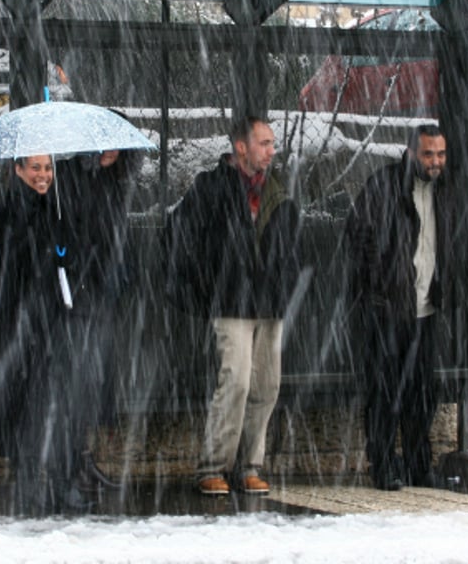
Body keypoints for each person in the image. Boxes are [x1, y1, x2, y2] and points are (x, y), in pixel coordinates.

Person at [166, 116, 301, 496]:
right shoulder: (212, 187)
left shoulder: (276, 189)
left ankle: (249, 465)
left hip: (268, 303)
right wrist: (208, 286)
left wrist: (284, 286)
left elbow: (290, 248)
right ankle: (214, 465)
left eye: (273, 144)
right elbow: (181, 237)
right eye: (264, 143)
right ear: (241, 147)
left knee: (266, 386)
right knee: (236, 382)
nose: (271, 151)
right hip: (231, 302)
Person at [343, 123, 453, 490]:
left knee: (423, 392)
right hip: (389, 308)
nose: (435, 162)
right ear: (410, 153)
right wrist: (379, 290)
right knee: (385, 390)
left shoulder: (446, 192)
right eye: (428, 154)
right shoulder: (384, 186)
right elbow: (359, 239)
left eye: (440, 154)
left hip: (427, 308)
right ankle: (385, 464)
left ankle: (419, 465)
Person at [0, 153, 88, 514]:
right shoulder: (9, 212)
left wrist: (64, 254)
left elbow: (73, 257)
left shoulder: (58, 208)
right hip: (21, 322)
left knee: (61, 399)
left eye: (48, 168)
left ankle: (62, 480)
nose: (43, 175)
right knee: (27, 402)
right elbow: (1, 268)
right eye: (36, 168)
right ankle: (27, 478)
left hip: (55, 320)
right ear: (19, 170)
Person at [57, 147, 140, 492]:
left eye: (117, 147)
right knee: (74, 378)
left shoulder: (113, 184)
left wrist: (118, 274)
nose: (111, 152)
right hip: (75, 292)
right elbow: (69, 232)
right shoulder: (70, 179)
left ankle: (84, 458)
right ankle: (70, 462)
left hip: (100, 292)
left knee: (93, 380)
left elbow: (116, 237)